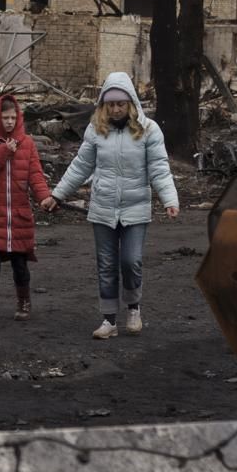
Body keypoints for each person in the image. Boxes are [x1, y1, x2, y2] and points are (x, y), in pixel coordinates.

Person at [48, 72, 180, 339]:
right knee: (106, 264)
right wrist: (57, 195)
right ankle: (109, 320)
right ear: (104, 105)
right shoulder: (96, 130)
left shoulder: (149, 130)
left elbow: (159, 168)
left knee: (131, 261)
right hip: (103, 208)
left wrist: (169, 199)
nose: (116, 108)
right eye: (111, 104)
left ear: (130, 103)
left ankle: (133, 308)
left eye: (121, 103)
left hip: (135, 208)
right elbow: (81, 166)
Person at [0, 94, 53, 330]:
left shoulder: (27, 143)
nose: (9, 122)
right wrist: (2, 152)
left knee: (20, 264)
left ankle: (24, 302)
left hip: (19, 216)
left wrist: (44, 197)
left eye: (12, 117)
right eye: (5, 117)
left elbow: (35, 175)